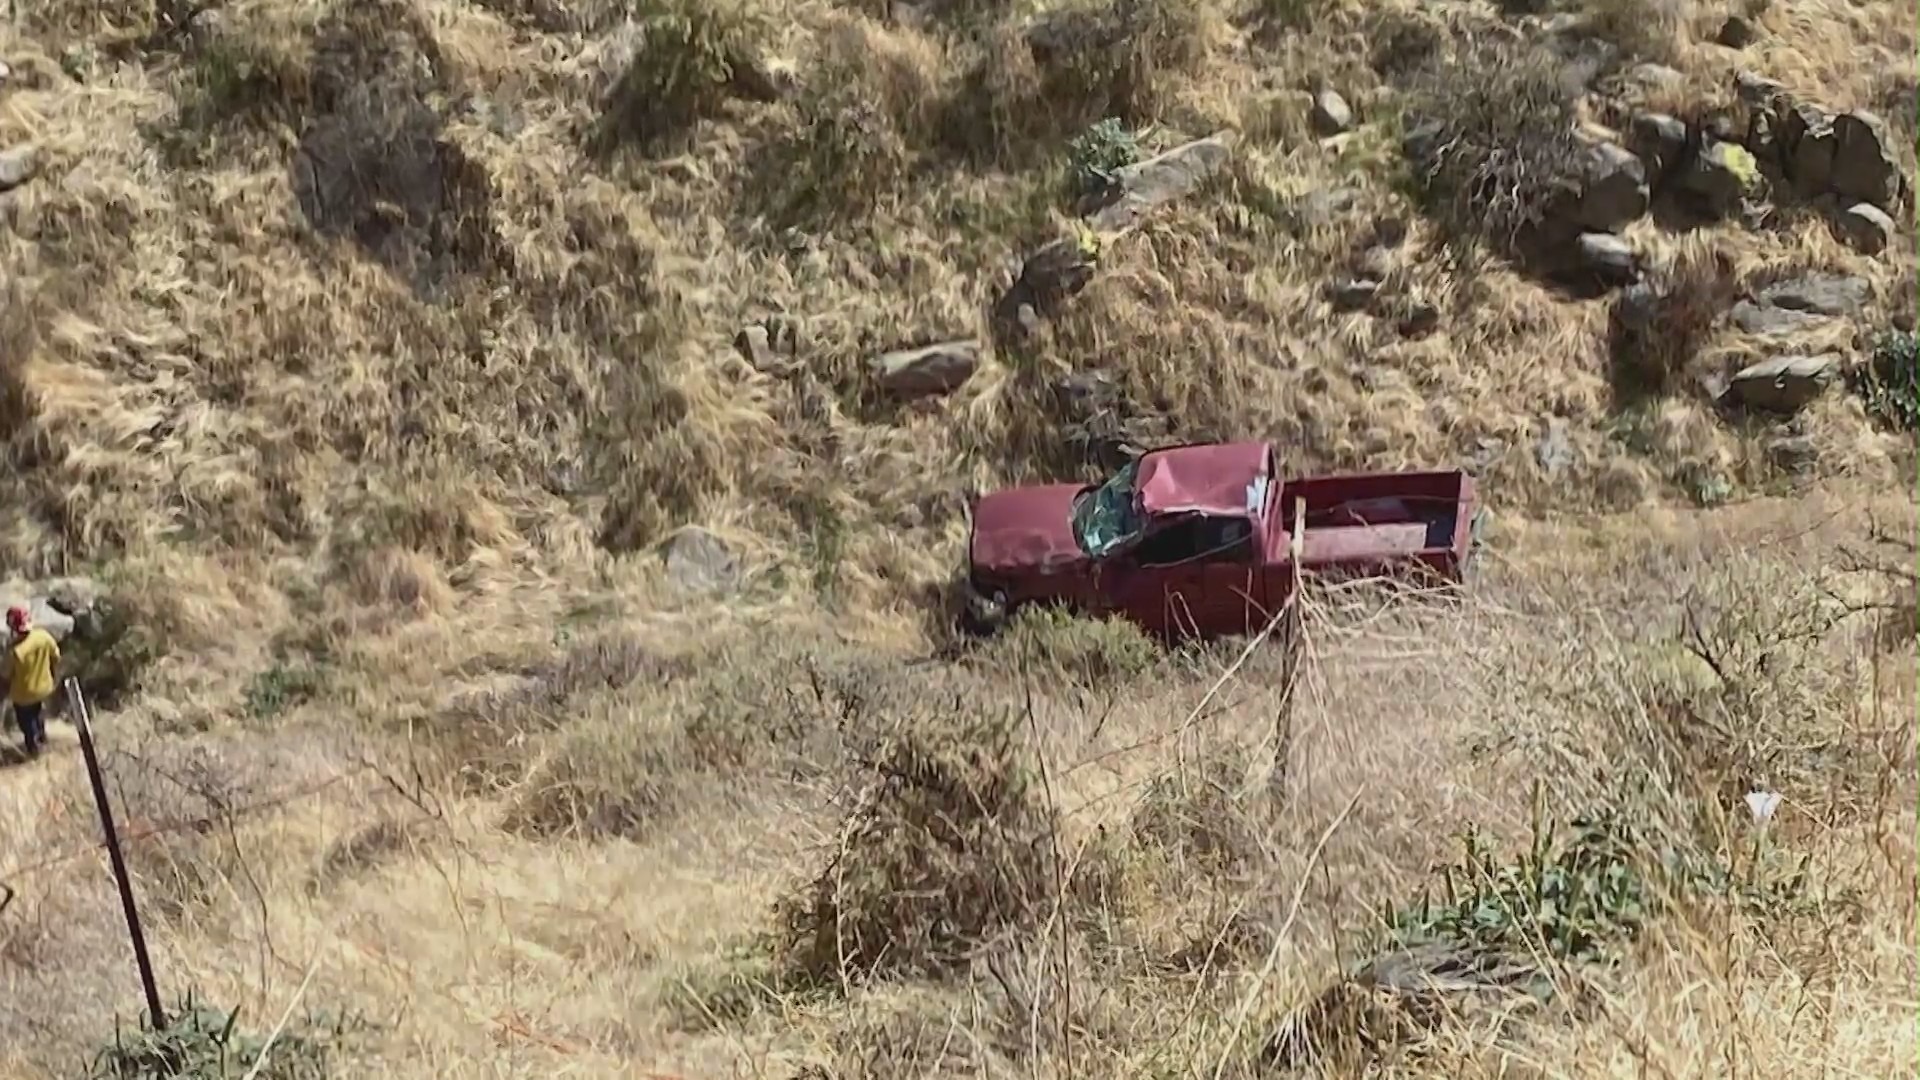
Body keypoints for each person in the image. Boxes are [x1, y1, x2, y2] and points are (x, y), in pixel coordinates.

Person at [5, 605, 58, 758]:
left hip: (23, 695)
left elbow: (5, 674)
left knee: (26, 723)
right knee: (38, 714)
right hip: (44, 688)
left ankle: (34, 752)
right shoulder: (44, 637)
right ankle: (42, 738)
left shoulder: (15, 651)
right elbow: (56, 657)